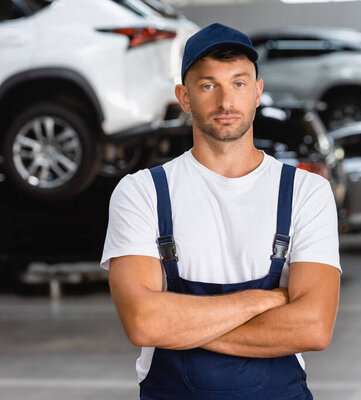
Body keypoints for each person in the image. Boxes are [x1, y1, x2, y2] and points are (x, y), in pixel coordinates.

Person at [100, 23, 341, 399]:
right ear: (184, 96)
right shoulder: (142, 192)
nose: (226, 102)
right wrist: (265, 300)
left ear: (258, 92)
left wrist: (181, 326)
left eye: (239, 83)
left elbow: (313, 327)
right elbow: (145, 323)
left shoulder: (306, 192)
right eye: (208, 85)